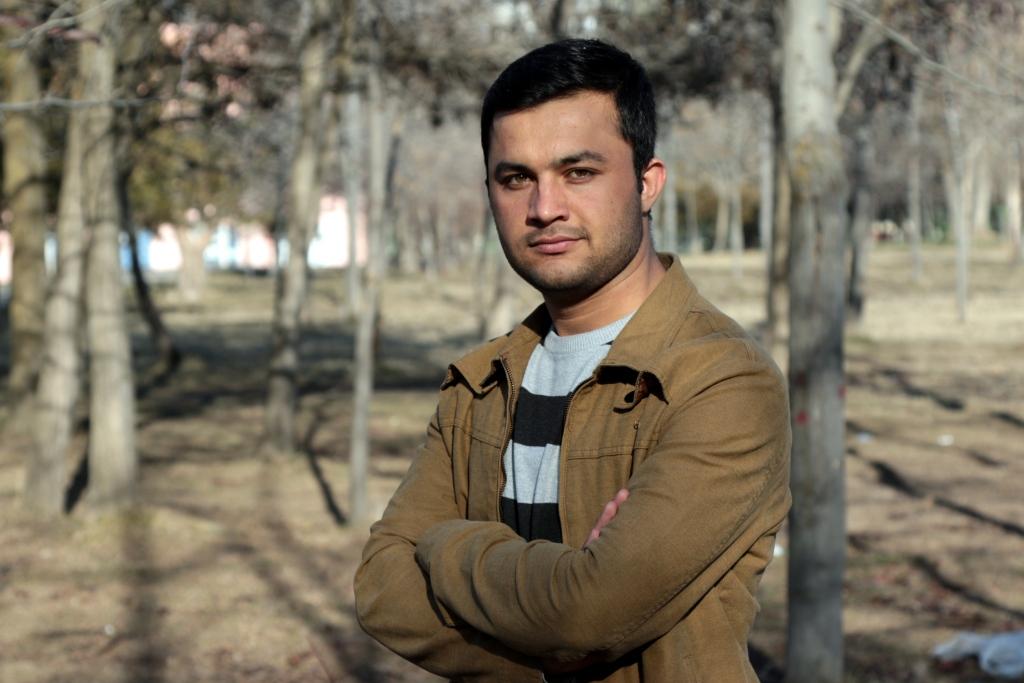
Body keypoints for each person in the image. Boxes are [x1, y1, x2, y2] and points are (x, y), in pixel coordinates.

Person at [354, 38, 791, 683]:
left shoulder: (721, 382)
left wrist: (446, 545)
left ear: (647, 183)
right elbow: (380, 589)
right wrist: (557, 643)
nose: (544, 208)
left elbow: (586, 612)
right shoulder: (480, 384)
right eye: (516, 179)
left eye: (578, 172)